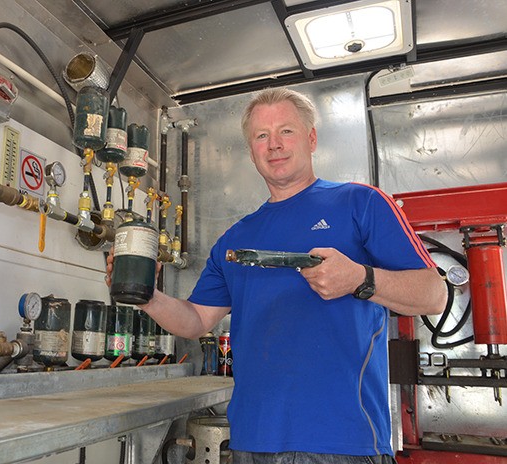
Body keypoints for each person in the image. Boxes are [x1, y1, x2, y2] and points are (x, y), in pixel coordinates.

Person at [106, 88, 446, 464]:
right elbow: (196, 319)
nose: (274, 145)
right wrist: (150, 298)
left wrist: (360, 279)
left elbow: (434, 295)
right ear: (251, 151)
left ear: (311, 139)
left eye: (286, 131)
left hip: (341, 441)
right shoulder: (235, 239)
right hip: (252, 441)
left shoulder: (360, 203)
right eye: (261, 136)